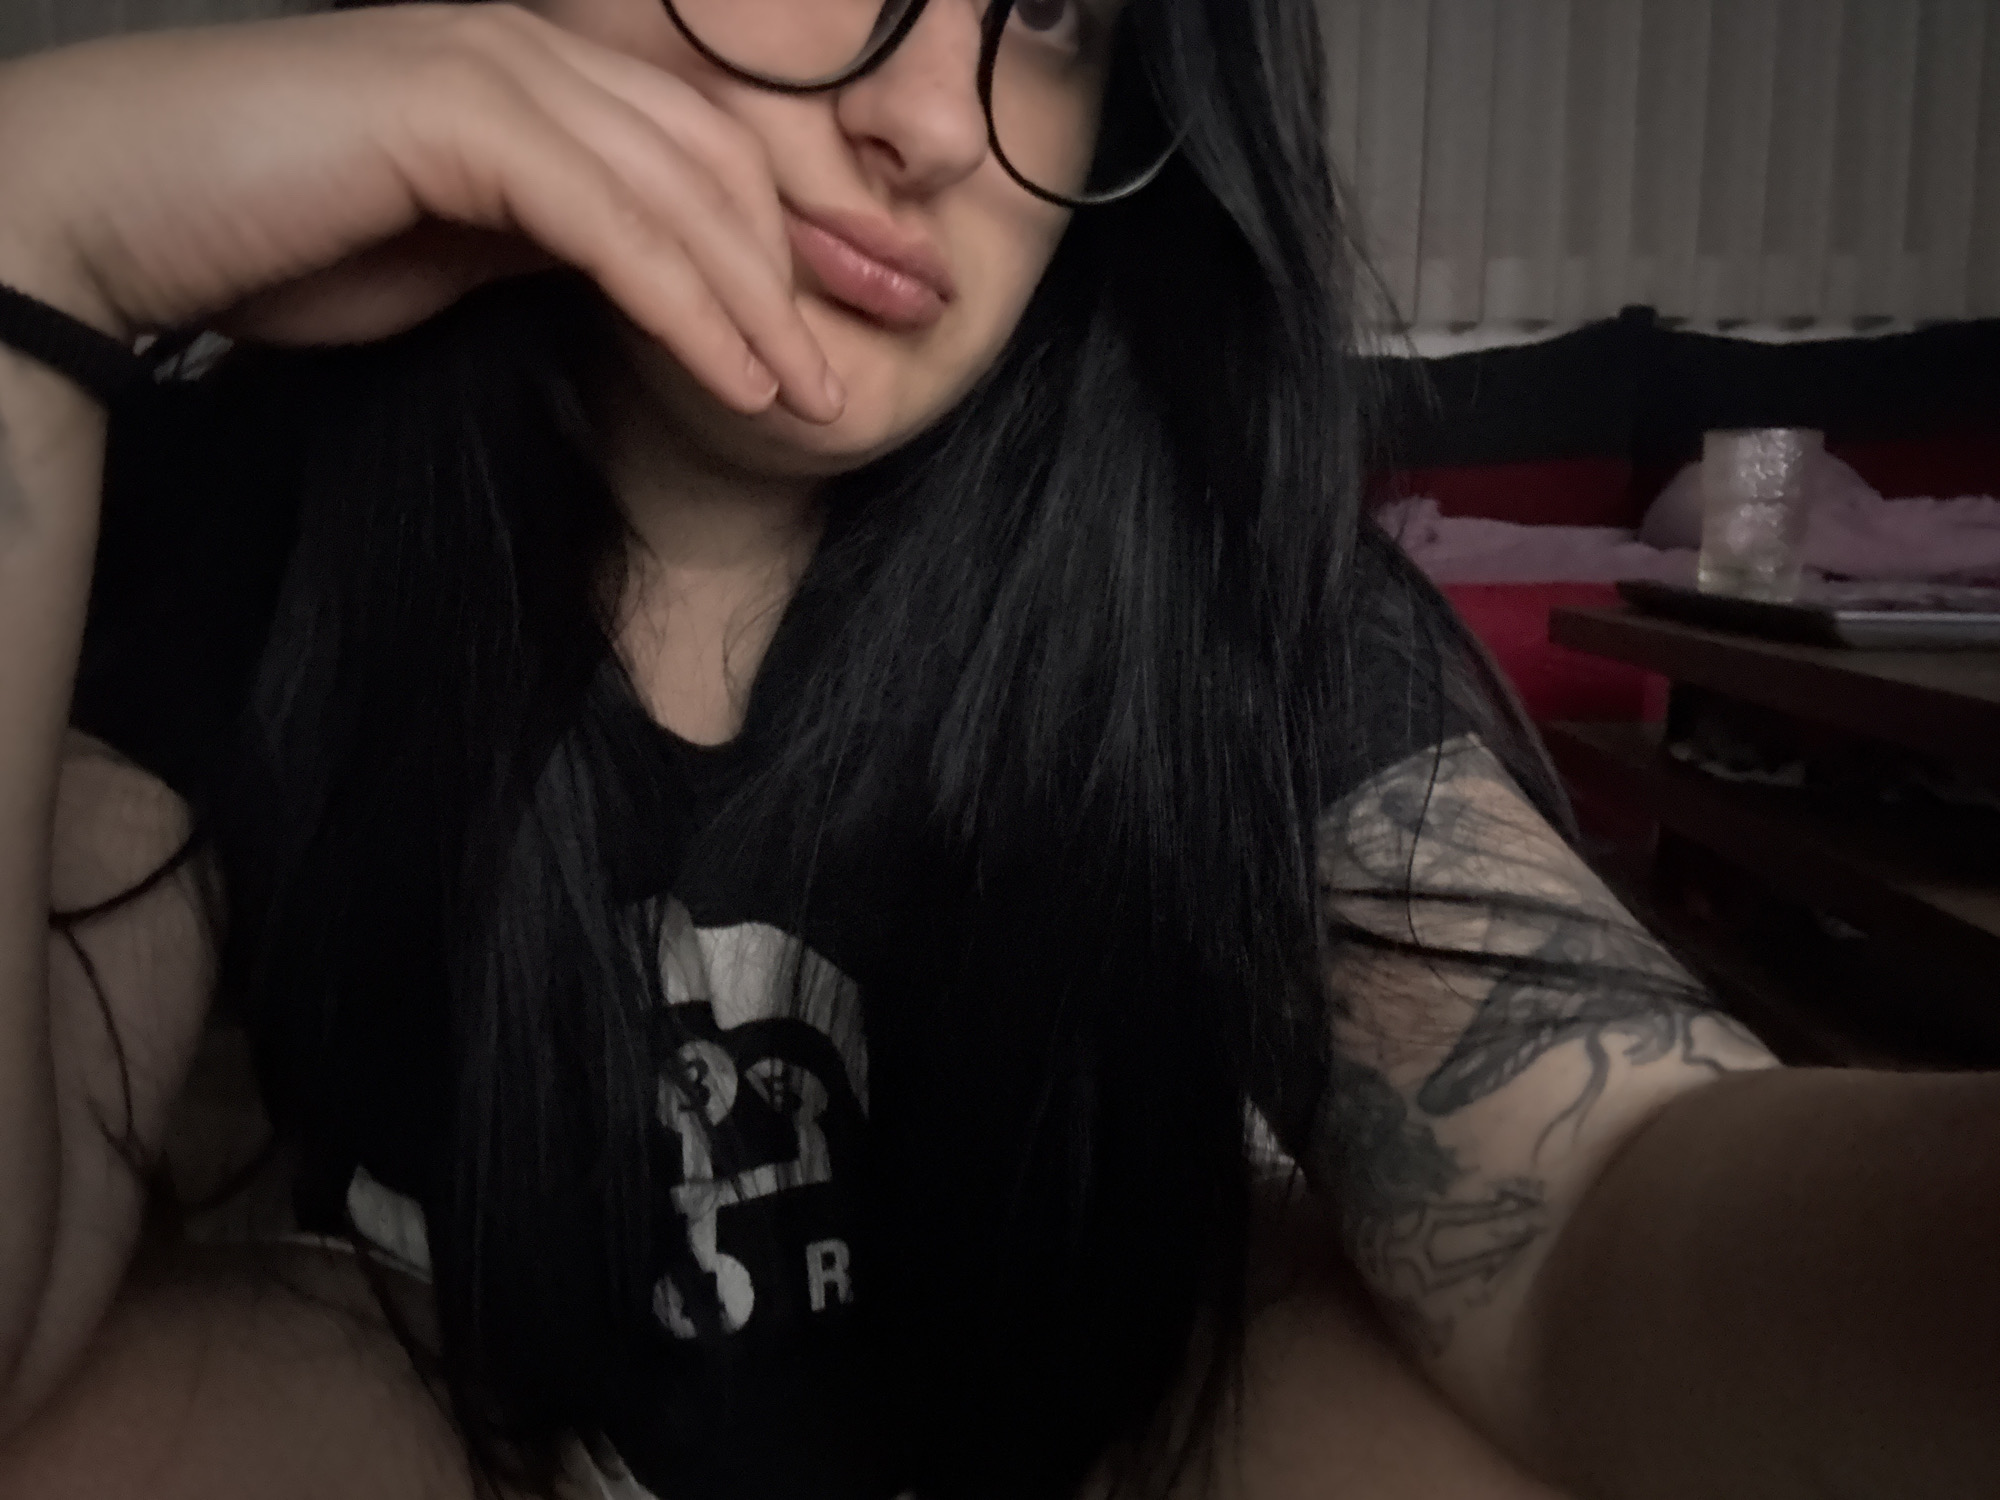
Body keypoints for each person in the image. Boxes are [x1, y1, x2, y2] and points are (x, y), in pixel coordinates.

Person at [0, 1, 1993, 1497]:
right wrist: (39, 224)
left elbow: (1590, 1211)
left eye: (1047, 10)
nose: (939, 122)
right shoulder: (246, 534)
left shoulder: (1213, 571)